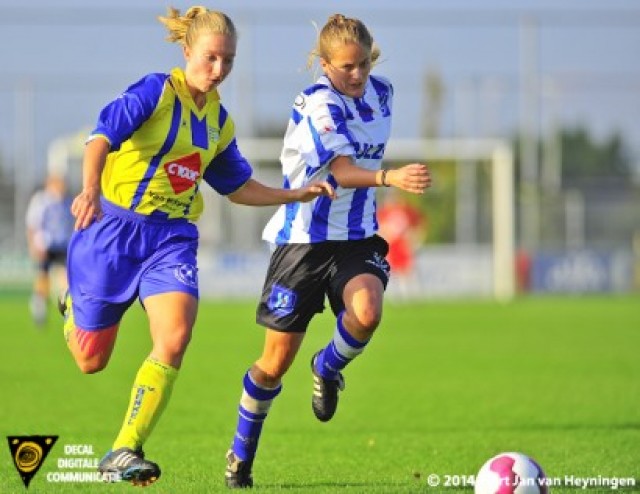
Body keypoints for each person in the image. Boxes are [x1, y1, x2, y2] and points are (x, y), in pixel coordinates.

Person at [59, 6, 334, 488]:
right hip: (113, 230)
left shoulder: (220, 123)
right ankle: (70, 307)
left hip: (172, 241)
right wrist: (88, 190)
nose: (219, 69)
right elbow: (100, 138)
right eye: (210, 57)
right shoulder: (155, 92)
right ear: (188, 52)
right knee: (90, 361)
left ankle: (124, 449)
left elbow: (237, 186)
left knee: (176, 337)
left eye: (228, 60)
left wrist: (293, 194)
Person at [224, 13, 431, 489]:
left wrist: (384, 181)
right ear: (323, 63)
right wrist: (390, 178)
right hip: (303, 242)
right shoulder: (317, 101)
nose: (356, 76)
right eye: (345, 68)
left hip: (356, 236)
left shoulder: (384, 93)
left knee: (368, 311)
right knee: (273, 364)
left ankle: (327, 366)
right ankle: (240, 455)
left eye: (362, 65)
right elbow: (339, 170)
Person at [25, 174, 74, 326]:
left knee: (66, 277)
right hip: (45, 245)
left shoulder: (67, 201)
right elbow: (32, 224)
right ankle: (39, 305)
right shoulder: (41, 200)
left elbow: (72, 222)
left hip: (62, 245)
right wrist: (34, 245)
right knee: (43, 277)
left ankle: (67, 305)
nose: (62, 187)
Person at [377, 190, 428, 300]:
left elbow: (419, 224)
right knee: (391, 272)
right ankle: (398, 298)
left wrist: (416, 239)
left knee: (407, 271)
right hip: (390, 247)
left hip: (404, 246)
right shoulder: (382, 212)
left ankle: (413, 297)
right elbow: (378, 229)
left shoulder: (406, 210)